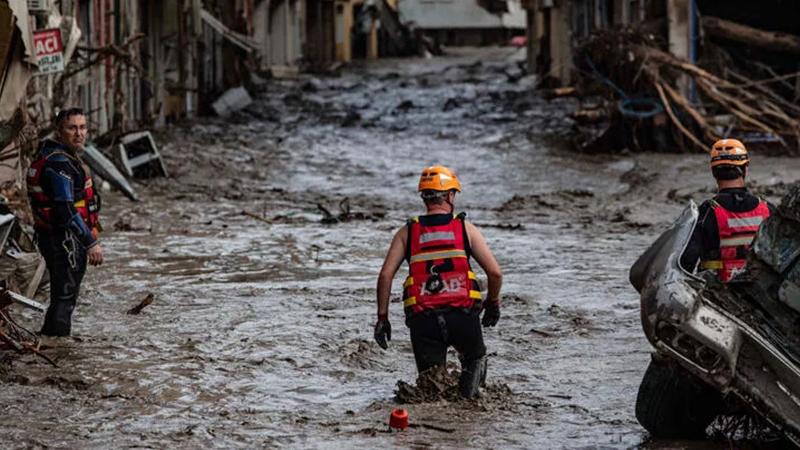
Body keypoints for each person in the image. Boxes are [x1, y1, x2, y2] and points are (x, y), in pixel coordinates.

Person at [374, 165, 503, 398]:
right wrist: (492, 303)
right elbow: (495, 273)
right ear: (450, 195)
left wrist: (382, 318)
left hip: (424, 320)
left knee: (430, 387)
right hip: (461, 316)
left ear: (425, 197)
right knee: (475, 360)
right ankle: (468, 407)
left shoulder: (408, 232)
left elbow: (385, 276)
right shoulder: (465, 228)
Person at [27, 108, 104, 336]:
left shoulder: (60, 156)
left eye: (82, 127)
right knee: (65, 296)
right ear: (59, 132)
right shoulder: (59, 163)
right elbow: (65, 210)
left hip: (62, 237)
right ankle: (59, 351)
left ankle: (50, 342)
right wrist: (90, 242)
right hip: (62, 238)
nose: (79, 133)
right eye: (72, 128)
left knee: (63, 295)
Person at [680, 139, 774, 282]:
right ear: (745, 169)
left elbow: (687, 260)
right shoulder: (768, 209)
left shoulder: (706, 211)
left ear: (713, 172)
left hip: (717, 290)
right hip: (760, 292)